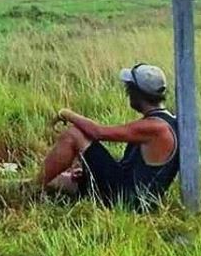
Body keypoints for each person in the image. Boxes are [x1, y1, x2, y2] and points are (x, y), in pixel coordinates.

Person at [41, 63, 179, 210]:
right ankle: (27, 185)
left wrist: (66, 114)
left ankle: (33, 188)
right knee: (59, 179)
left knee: (74, 135)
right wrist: (91, 170)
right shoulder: (166, 121)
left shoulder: (156, 127)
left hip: (129, 202)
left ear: (135, 92)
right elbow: (140, 170)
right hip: (129, 191)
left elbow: (98, 132)